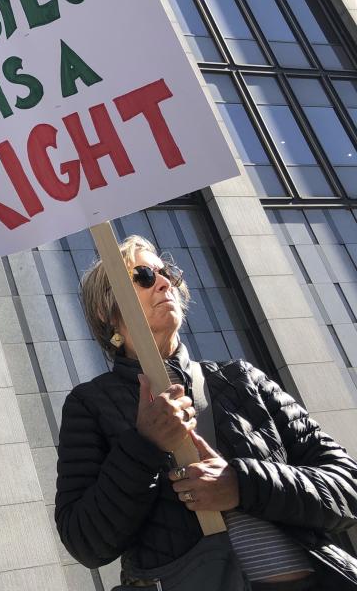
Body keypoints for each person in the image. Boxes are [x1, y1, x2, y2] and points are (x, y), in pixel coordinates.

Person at [55, 234, 357, 590]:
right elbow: (85, 542)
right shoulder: (90, 404)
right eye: (144, 276)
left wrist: (241, 483)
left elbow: (347, 485)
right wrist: (144, 447)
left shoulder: (242, 379)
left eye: (167, 273)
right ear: (107, 310)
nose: (165, 282)